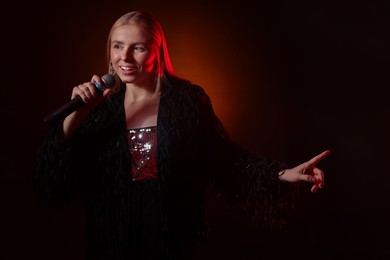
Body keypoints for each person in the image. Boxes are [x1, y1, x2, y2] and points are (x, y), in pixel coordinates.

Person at [33, 10, 330, 260]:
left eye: (137, 47)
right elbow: (53, 180)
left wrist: (282, 174)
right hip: (112, 242)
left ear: (156, 50)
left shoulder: (187, 101)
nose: (125, 57)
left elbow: (227, 160)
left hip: (172, 240)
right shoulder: (98, 109)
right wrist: (77, 115)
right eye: (117, 46)